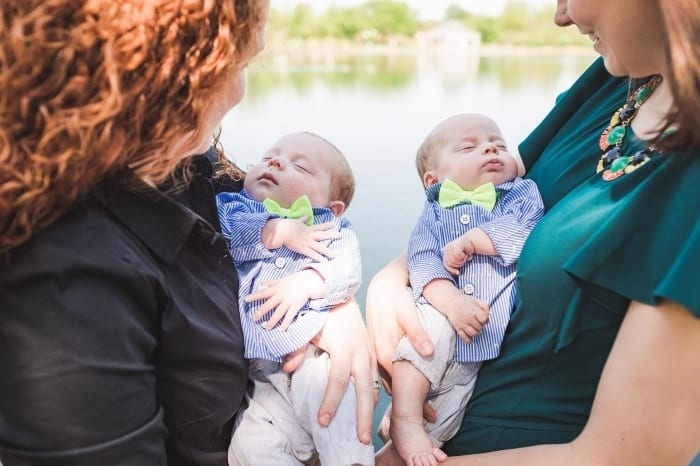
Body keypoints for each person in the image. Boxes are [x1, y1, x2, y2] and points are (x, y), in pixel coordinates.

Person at [0, 2, 376, 465]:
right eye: (238, 65)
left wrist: (334, 304)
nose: (241, 89)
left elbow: (305, 236)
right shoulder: (66, 286)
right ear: (180, 75)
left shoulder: (192, 170)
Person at [368, 0, 700, 464]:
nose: (560, 16)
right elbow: (488, 194)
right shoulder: (617, 79)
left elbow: (630, 454)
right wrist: (391, 282)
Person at [378, 114, 543, 466]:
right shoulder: (434, 211)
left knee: (455, 400)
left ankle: (404, 446)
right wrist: (450, 300)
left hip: (488, 326)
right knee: (418, 349)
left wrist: (479, 239)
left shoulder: (520, 194)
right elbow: (421, 258)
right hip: (440, 308)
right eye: (470, 147)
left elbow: (528, 224)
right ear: (433, 179)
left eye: (498, 143)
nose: (490, 147)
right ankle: (404, 420)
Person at [216, 131, 374, 466]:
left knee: (333, 409)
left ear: (331, 207)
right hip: (258, 376)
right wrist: (273, 230)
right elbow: (226, 232)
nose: (275, 162)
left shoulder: (332, 229)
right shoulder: (233, 207)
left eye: (300, 168)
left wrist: (310, 281)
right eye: (269, 156)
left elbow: (347, 268)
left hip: (312, 354)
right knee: (249, 446)